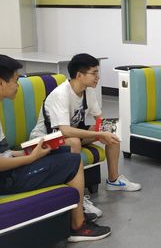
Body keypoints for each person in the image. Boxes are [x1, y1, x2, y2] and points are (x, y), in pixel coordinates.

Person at [0, 54, 111, 242]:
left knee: (64, 151)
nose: (18, 86)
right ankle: (77, 225)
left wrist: (26, 151)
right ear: (0, 83)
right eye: (16, 80)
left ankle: (74, 212)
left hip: (3, 172)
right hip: (3, 179)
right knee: (73, 162)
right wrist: (31, 158)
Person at [30, 53, 140, 218]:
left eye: (97, 72)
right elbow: (64, 130)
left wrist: (105, 131)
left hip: (69, 134)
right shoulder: (61, 94)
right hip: (45, 139)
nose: (98, 77)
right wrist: (99, 133)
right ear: (79, 75)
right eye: (94, 73)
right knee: (75, 141)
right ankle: (78, 199)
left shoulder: (88, 92)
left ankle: (113, 180)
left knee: (110, 129)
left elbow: (100, 119)